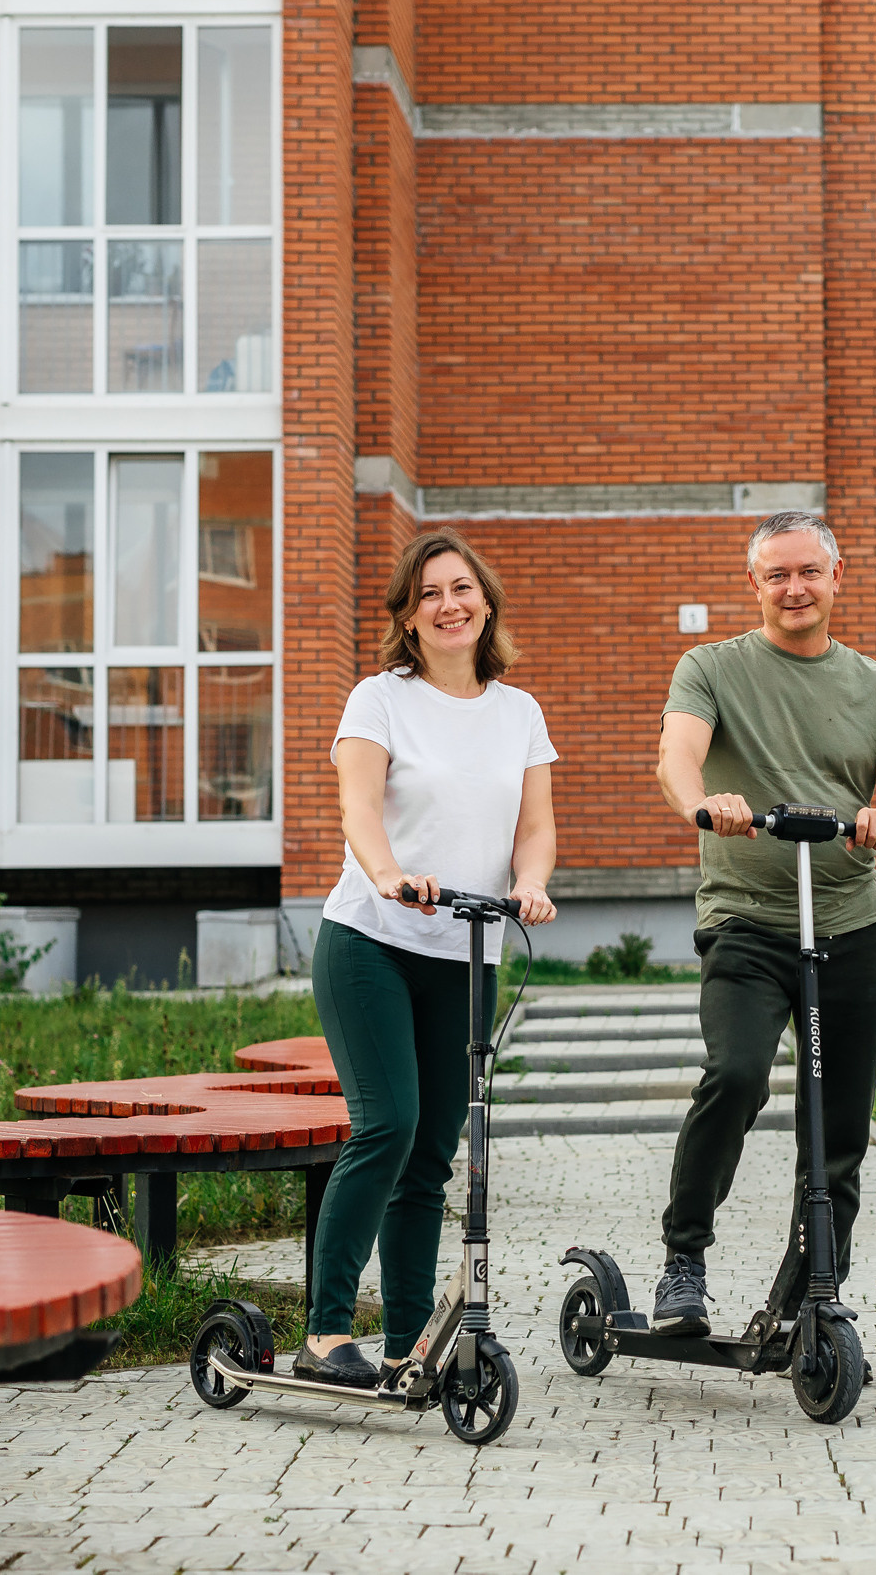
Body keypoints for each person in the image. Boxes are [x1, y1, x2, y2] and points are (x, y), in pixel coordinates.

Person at [650, 509, 876, 1336]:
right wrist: (705, 801)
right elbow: (677, 757)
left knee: (838, 1126)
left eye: (809, 571)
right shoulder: (711, 666)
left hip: (849, 918)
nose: (795, 587)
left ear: (836, 577)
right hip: (747, 919)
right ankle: (684, 1259)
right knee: (735, 1074)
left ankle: (809, 1293)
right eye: (777, 574)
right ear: (755, 585)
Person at [297, 529, 558, 1387]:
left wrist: (530, 882)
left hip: (466, 949)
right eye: (428, 594)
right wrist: (389, 876)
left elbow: (535, 826)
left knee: (432, 1153)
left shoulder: (518, 712)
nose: (449, 604)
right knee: (389, 1124)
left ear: (486, 601)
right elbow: (359, 807)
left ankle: (411, 1339)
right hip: (370, 939)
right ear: (408, 619)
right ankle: (326, 1329)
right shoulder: (379, 699)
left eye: (462, 588)